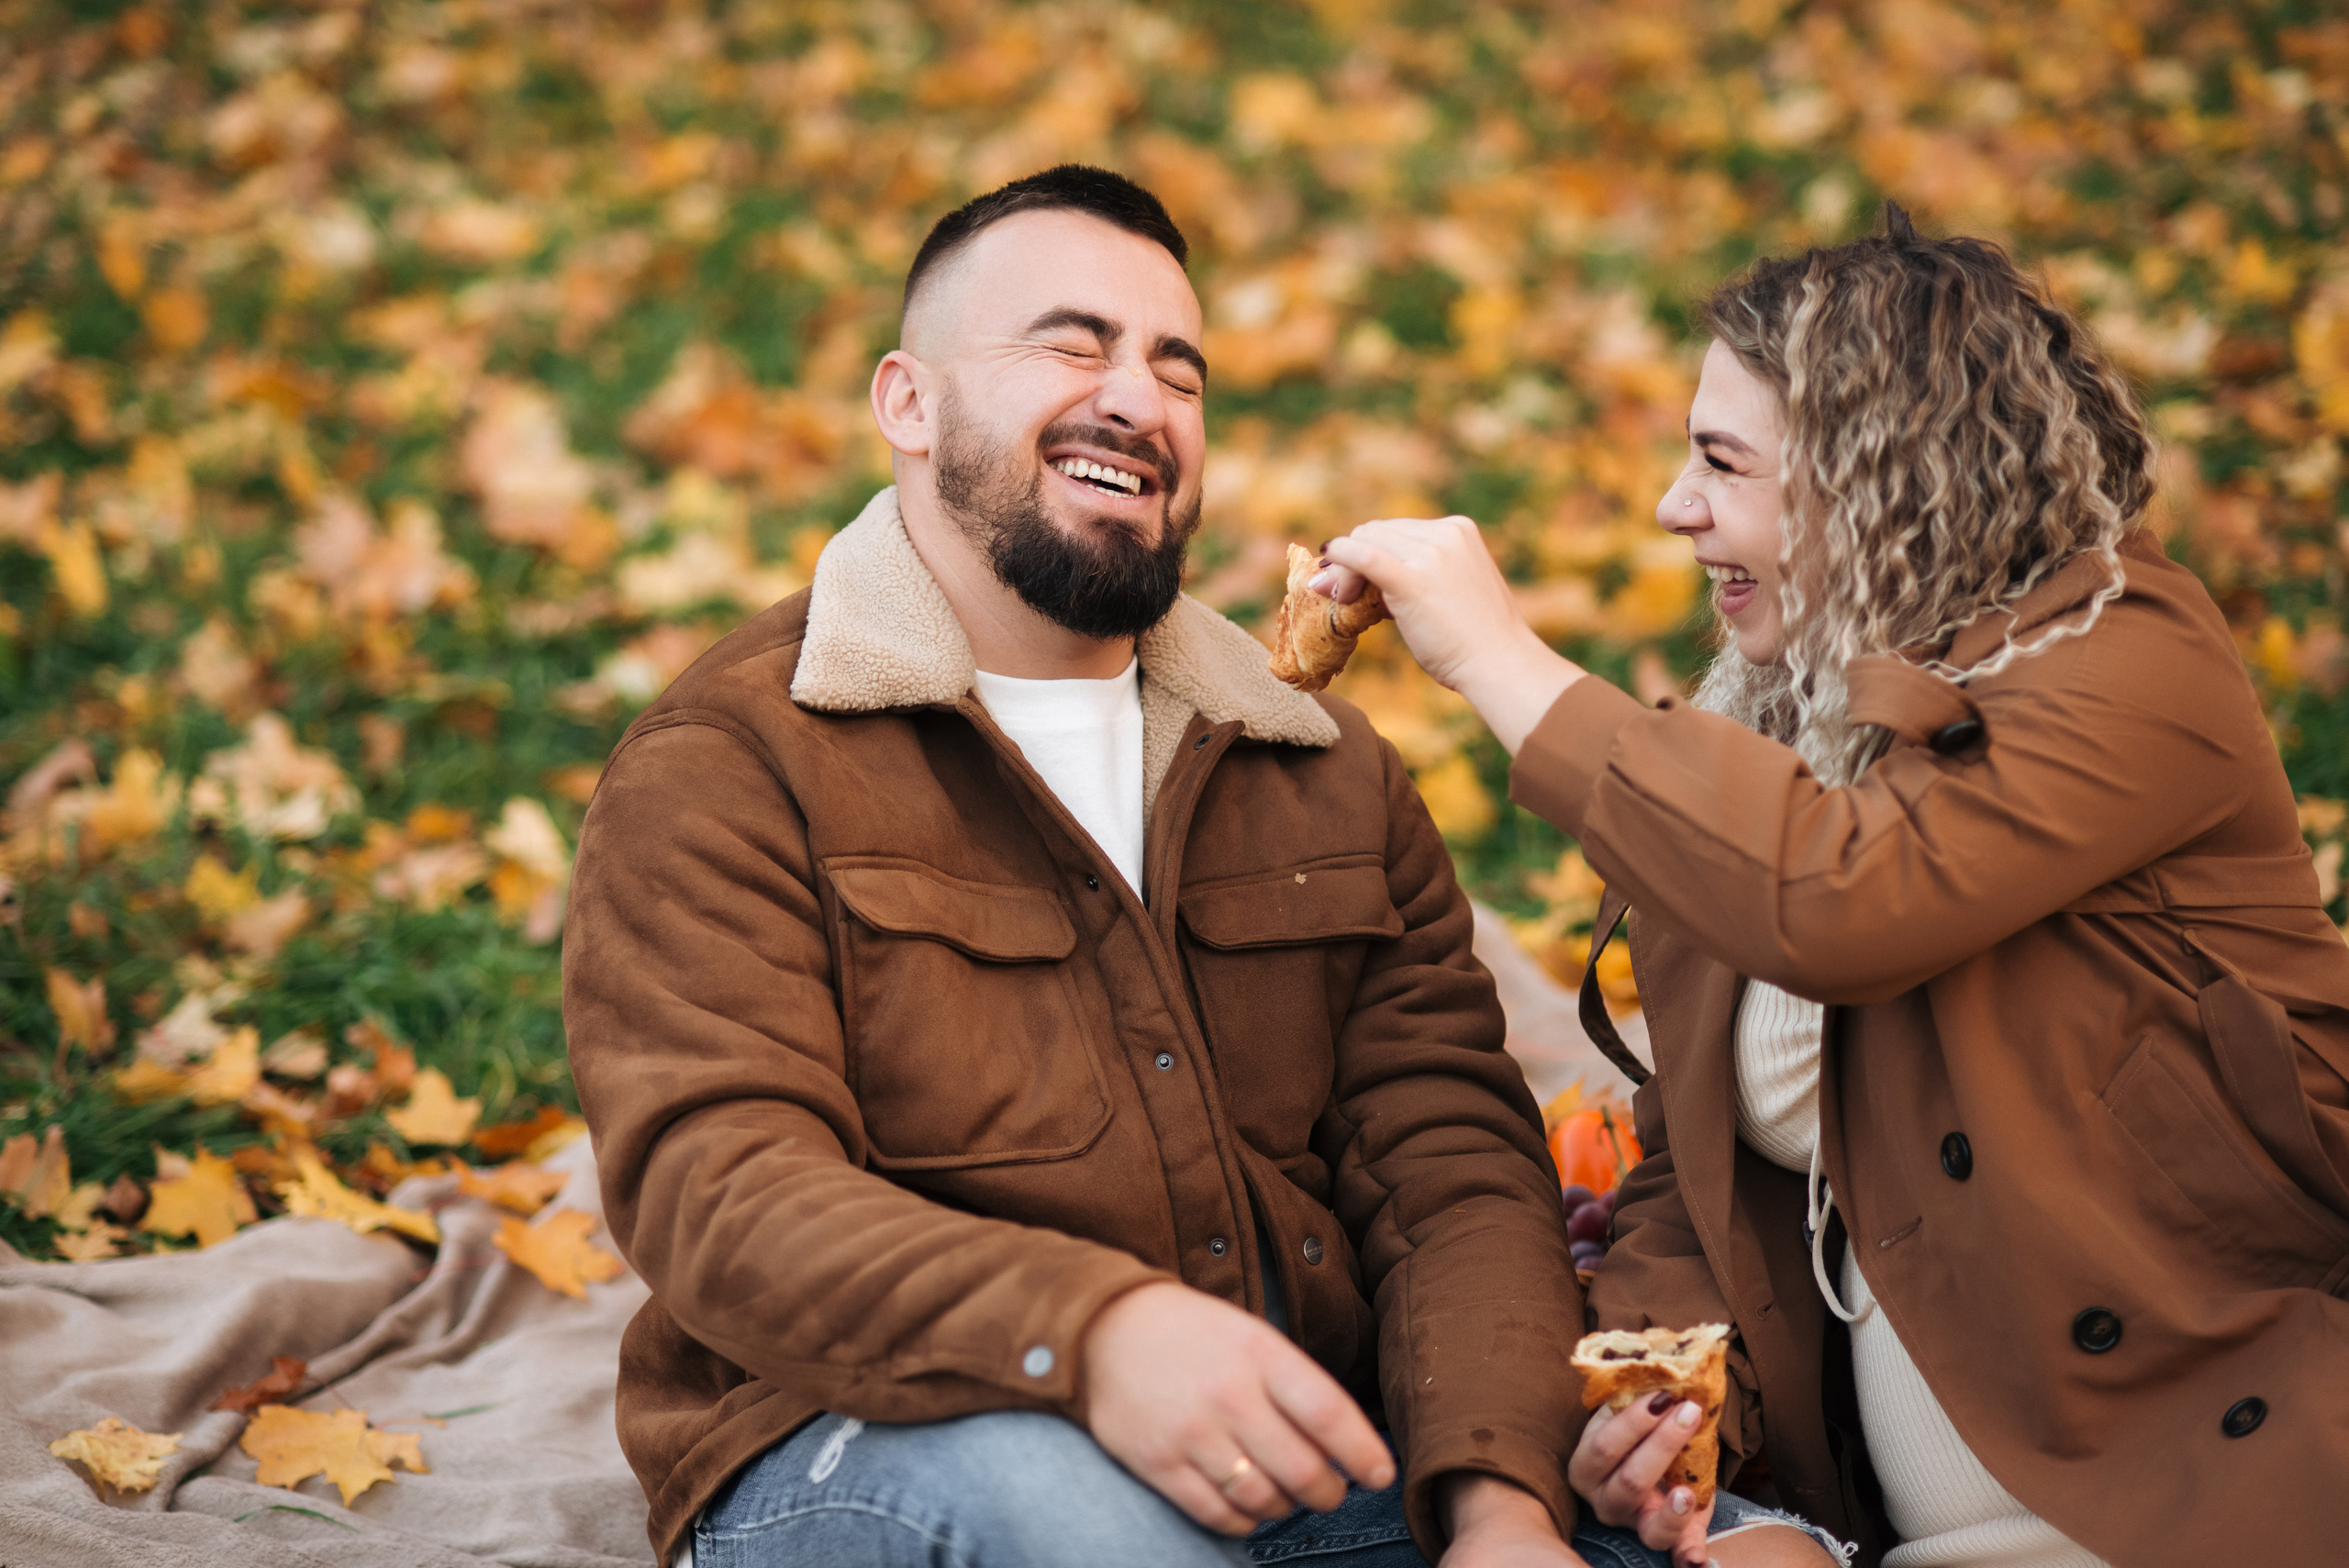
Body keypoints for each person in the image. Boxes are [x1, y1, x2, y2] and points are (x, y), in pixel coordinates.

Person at [567, 163, 1702, 1568]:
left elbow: (1451, 1170)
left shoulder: (1315, 761)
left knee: (1706, 1539)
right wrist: (1097, 1334)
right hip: (884, 1439)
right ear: (907, 404)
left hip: (1307, 1454)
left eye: (1179, 367)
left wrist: (1497, 1507)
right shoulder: (734, 759)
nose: (1138, 398)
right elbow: (720, 1192)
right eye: (1070, 344)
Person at [1317, 206, 2349, 1568]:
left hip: (2216, 1490)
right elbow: (1698, 1164)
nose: (1677, 508)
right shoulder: (1774, 725)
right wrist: (1670, 1391)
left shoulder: (2133, 657)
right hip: (1874, 1530)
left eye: (1721, 461)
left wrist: (1502, 661)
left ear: (1876, 477)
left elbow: (1847, 899)